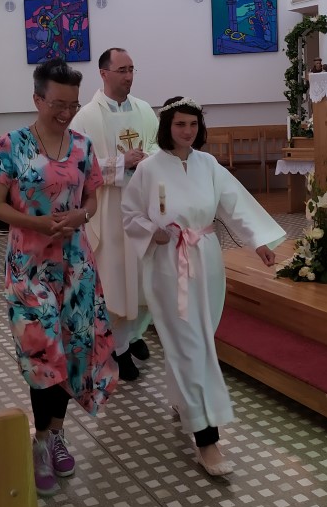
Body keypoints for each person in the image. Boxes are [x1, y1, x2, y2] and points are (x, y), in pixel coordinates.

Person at [121, 96, 284, 477]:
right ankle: (207, 440)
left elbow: (234, 205)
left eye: (193, 124)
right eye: (180, 124)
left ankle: (182, 400)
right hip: (168, 265)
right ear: (167, 126)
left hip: (207, 260)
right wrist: (152, 231)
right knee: (191, 345)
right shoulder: (149, 169)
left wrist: (258, 242)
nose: (187, 131)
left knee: (198, 339)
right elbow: (129, 214)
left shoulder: (207, 164)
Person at [0, 58, 118, 497]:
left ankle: (56, 435)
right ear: (37, 99)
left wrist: (82, 215)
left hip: (75, 266)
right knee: (43, 353)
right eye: (57, 104)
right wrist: (37, 223)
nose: (66, 113)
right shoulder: (13, 144)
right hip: (29, 267)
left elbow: (92, 198)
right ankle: (40, 442)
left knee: (73, 350)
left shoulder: (82, 145)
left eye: (72, 105)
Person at [71, 47, 159, 382]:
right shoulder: (86, 118)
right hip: (108, 211)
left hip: (140, 206)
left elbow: (157, 147)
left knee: (140, 276)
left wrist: (147, 159)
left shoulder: (145, 110)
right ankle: (116, 347)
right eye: (122, 70)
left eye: (132, 69)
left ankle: (133, 335)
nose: (129, 76)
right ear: (104, 73)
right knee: (115, 279)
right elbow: (79, 165)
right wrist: (123, 162)